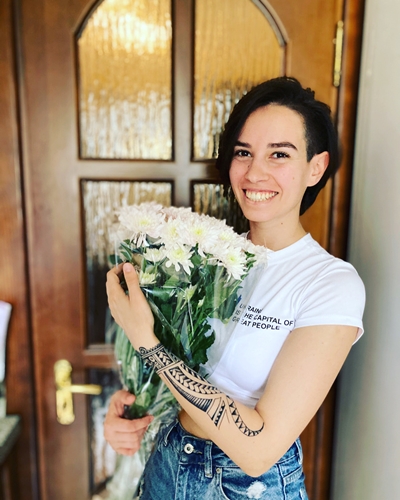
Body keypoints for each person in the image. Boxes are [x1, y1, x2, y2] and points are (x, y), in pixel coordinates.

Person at [105, 76, 365, 499]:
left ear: (316, 167)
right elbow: (179, 375)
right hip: (168, 463)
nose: (255, 172)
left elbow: (258, 450)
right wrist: (135, 407)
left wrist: (147, 343)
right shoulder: (200, 258)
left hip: (244, 486)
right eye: (243, 152)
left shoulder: (330, 283)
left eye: (279, 154)